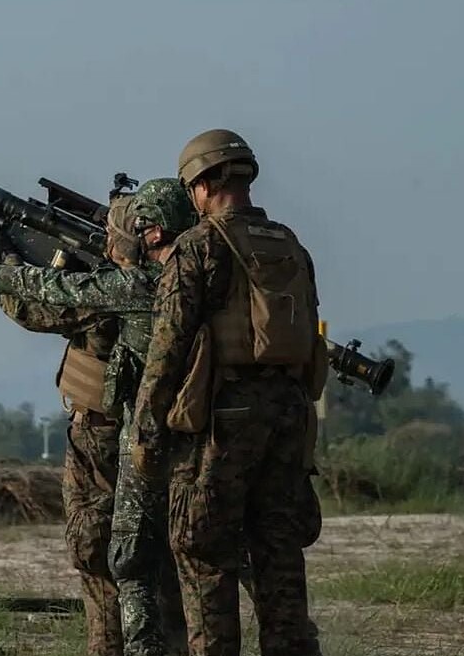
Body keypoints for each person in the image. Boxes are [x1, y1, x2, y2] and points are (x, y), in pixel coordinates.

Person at [0, 178, 198, 656]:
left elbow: (37, 306)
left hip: (104, 430)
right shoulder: (188, 281)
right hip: (169, 434)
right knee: (157, 547)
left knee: (101, 548)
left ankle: (111, 645)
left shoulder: (121, 287)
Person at [135, 129, 324, 656]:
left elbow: (166, 347)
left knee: (203, 554)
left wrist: (147, 431)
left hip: (226, 420)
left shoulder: (198, 248)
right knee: (279, 555)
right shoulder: (290, 243)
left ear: (200, 184)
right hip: (288, 415)